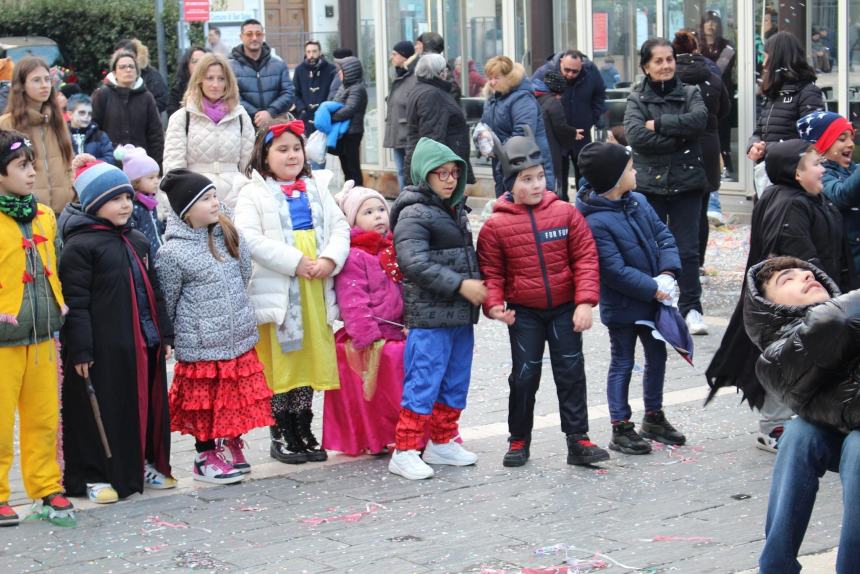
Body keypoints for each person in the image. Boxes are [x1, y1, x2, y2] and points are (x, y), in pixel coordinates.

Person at [706, 139, 854, 452]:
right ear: (796, 174)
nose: (822, 167)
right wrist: (824, 294)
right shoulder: (788, 203)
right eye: (815, 163)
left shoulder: (815, 198)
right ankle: (773, 427)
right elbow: (795, 257)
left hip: (816, 300)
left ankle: (805, 421)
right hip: (788, 309)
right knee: (784, 363)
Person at [477, 129, 607, 468]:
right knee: (524, 375)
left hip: (565, 308)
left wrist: (584, 302)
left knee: (571, 371)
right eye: (526, 179)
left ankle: (578, 439)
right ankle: (519, 438)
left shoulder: (565, 213)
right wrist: (493, 304)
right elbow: (492, 273)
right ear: (509, 183)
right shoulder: (495, 226)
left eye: (540, 177)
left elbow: (586, 258)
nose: (536, 185)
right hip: (524, 313)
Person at [234, 119, 350, 465]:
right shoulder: (253, 193)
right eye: (282, 149)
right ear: (264, 155)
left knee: (308, 359)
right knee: (282, 361)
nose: (291, 155)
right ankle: (281, 428)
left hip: (314, 287)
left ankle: (303, 424)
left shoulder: (317, 188)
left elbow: (340, 226)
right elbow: (248, 238)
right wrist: (295, 261)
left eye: (296, 148)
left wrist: (329, 259)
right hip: (282, 291)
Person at [59, 159, 174, 503]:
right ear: (94, 203)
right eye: (115, 199)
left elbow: (155, 290)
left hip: (143, 341)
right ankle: (95, 474)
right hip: (103, 348)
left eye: (128, 197)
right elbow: (75, 304)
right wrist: (81, 349)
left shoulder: (135, 239)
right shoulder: (80, 247)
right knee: (104, 409)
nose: (126, 204)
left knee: (144, 407)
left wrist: (164, 334)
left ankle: (140, 464)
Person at [742, 256, 860, 574]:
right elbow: (833, 322)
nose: (805, 275)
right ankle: (776, 566)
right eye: (788, 279)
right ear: (769, 305)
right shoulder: (774, 358)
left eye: (805, 271)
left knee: (856, 448)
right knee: (800, 434)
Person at [156, 169, 273, 484]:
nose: (215, 203)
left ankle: (230, 441)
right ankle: (204, 455)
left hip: (236, 335)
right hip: (202, 342)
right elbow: (167, 299)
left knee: (233, 395)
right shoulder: (172, 253)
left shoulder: (227, 234)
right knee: (205, 401)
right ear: (186, 210)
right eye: (206, 199)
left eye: (214, 196)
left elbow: (244, 270)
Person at [577, 141, 686, 455]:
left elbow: (663, 235)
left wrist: (667, 272)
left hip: (654, 300)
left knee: (657, 356)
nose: (635, 171)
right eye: (629, 168)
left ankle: (653, 416)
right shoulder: (595, 221)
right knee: (623, 361)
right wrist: (653, 287)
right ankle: (620, 426)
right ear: (613, 179)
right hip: (625, 305)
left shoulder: (637, 200)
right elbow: (613, 270)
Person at [387, 137, 484, 481]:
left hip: (460, 316)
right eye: (440, 173)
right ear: (422, 175)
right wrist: (461, 285)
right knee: (423, 381)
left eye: (454, 172)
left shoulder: (455, 209)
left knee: (456, 381)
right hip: (430, 318)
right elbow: (414, 263)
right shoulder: (413, 212)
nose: (449, 179)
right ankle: (406, 449)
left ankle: (443, 440)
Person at [0, 131, 75, 527]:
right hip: (3, 341)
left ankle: (46, 487)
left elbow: (56, 266)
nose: (31, 173)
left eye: (32, 165)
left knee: (44, 417)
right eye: (21, 166)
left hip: (44, 333)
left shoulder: (45, 215)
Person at [624, 37, 709, 335]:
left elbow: (700, 121)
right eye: (658, 61)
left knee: (687, 250)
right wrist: (679, 137)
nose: (665, 66)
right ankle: (658, 308)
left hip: (687, 182)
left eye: (669, 59)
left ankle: (692, 308)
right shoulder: (637, 99)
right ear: (646, 66)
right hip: (650, 185)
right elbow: (635, 136)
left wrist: (659, 125)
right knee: (651, 249)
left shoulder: (690, 92)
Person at [324, 181, 406, 455]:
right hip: (370, 335)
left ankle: (404, 430)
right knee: (382, 374)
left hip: (397, 330)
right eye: (368, 212)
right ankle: (377, 434)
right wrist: (368, 336)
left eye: (381, 209)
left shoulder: (392, 248)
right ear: (352, 220)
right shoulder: (355, 255)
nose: (378, 216)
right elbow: (353, 301)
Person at [163, 53, 254, 208]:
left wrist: (246, 194)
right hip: (195, 198)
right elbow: (174, 167)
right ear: (199, 80)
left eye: (221, 78)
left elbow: (249, 165)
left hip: (236, 200)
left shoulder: (240, 116)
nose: (215, 84)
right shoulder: (182, 118)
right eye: (209, 78)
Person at [672, 30, 731, 261]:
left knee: (677, 209)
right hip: (707, 145)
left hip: (679, 145)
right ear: (696, 49)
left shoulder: (670, 80)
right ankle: (698, 261)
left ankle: (678, 259)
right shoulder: (713, 77)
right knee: (701, 206)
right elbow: (725, 110)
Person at [747, 31, 824, 190]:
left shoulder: (808, 92)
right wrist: (753, 145)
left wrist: (767, 149)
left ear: (778, 58)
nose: (763, 63)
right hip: (770, 175)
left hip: (793, 181)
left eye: (767, 56)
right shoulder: (773, 93)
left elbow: (812, 142)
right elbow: (760, 130)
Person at [0, 56, 74, 215]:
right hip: (24, 214)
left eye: (47, 79)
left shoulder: (57, 122)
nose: (44, 85)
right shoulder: (6, 124)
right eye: (36, 80)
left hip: (64, 214)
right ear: (22, 86)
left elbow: (69, 164)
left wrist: (73, 195)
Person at [481, 56, 556, 197]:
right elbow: (485, 124)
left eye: (496, 78)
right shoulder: (493, 98)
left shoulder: (522, 98)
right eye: (489, 77)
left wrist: (497, 148)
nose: (491, 82)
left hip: (527, 163)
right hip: (504, 163)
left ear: (508, 77)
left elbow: (522, 135)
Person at [532, 49, 607, 185]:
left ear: (582, 66)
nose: (570, 74)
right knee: (559, 178)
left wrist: (592, 117)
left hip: (581, 132)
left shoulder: (591, 72)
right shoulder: (544, 72)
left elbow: (600, 95)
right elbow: (533, 98)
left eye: (575, 71)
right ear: (561, 62)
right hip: (556, 135)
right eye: (567, 70)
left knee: (585, 176)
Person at [797, 111, 860, 272]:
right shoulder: (821, 175)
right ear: (822, 146)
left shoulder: (853, 169)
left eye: (851, 137)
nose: (851, 144)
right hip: (847, 265)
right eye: (842, 138)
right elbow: (841, 196)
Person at [403, 54, 474, 187]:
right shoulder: (432, 94)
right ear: (440, 73)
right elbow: (432, 136)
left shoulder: (422, 89)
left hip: (438, 166)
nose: (447, 73)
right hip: (440, 168)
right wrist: (439, 172)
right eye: (446, 70)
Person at [92, 51, 164, 166]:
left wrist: (156, 165)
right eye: (122, 67)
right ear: (114, 73)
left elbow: (155, 134)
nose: (128, 70)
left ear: (137, 72)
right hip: (110, 163)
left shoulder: (146, 97)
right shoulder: (103, 94)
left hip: (141, 164)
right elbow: (94, 128)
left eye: (131, 66)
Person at [229, 19, 295, 128]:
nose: (254, 38)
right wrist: (256, 115)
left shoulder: (279, 65)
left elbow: (288, 92)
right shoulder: (230, 67)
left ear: (263, 36)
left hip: (275, 125)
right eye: (249, 34)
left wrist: (270, 112)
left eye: (258, 34)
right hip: (243, 126)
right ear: (241, 37)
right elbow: (231, 96)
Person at [699, 10, 736, 176]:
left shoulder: (727, 46)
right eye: (707, 22)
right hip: (700, 97)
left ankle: (726, 167)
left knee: (723, 134)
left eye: (714, 22)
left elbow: (717, 70)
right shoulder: (698, 45)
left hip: (722, 95)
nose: (710, 25)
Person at [537, 69, 582, 202]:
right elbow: (560, 127)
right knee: (554, 183)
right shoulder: (554, 103)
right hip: (550, 150)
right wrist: (573, 133)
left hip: (537, 150)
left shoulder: (535, 98)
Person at [115, 144, 163, 256]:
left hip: (157, 254)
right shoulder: (133, 207)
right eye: (151, 178)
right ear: (135, 181)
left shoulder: (150, 202)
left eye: (157, 176)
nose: (156, 181)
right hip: (143, 257)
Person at [383, 40, 416, 190]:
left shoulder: (412, 78)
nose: (392, 57)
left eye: (395, 54)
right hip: (397, 132)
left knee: (409, 173)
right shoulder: (398, 76)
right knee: (401, 172)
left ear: (405, 56)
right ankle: (404, 203)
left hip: (408, 133)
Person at [330, 56, 368, 186]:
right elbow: (334, 102)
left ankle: (358, 193)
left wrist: (331, 116)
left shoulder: (357, 88)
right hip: (343, 133)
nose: (339, 73)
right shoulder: (344, 86)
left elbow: (348, 110)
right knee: (345, 168)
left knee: (353, 167)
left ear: (350, 72)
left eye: (341, 70)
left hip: (352, 133)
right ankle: (349, 193)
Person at [293, 40, 336, 135]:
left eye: (314, 51)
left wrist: (326, 109)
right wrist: (302, 109)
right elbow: (295, 93)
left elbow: (334, 92)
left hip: (325, 115)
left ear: (320, 52)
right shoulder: (299, 70)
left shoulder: (331, 69)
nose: (311, 55)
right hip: (306, 117)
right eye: (308, 52)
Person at [115, 39, 169, 114]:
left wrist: (143, 112)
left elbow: (163, 99)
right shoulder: (114, 76)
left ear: (135, 55)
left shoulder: (151, 75)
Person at [66, 94, 114, 163]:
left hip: (95, 172)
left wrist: (89, 163)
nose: (86, 116)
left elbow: (110, 159)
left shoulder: (100, 136)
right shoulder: (62, 136)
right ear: (70, 114)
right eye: (82, 113)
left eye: (89, 113)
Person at [167, 46, 208, 117]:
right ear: (187, 65)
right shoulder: (178, 90)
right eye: (195, 61)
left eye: (203, 61)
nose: (199, 65)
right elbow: (173, 115)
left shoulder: (216, 87)